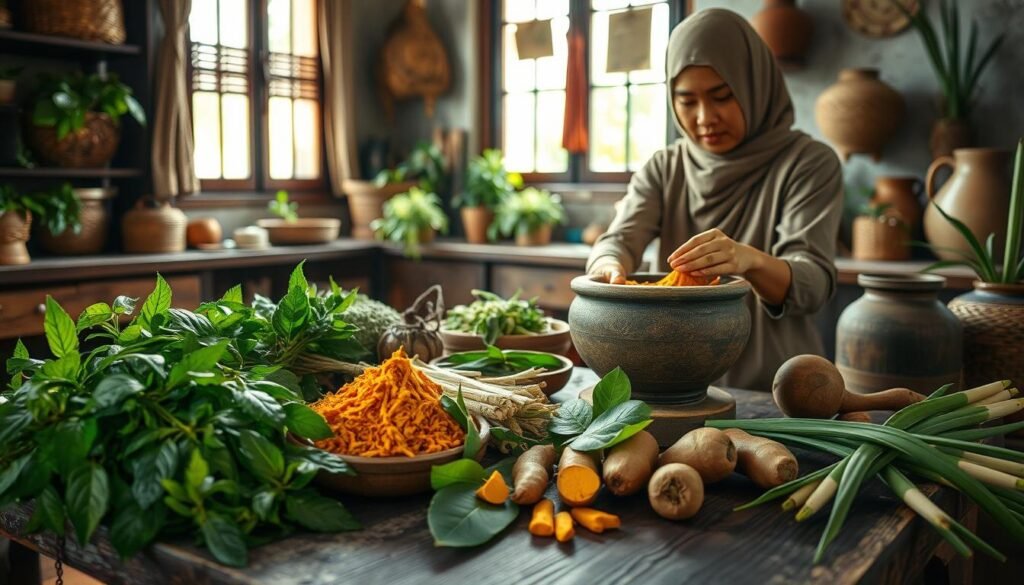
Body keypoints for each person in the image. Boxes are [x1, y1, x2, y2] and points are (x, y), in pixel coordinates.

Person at [587, 8, 843, 392]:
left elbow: (812, 283)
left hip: (778, 390)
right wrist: (609, 264)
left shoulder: (808, 163)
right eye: (687, 101)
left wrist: (749, 260)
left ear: (754, 85)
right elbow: (619, 239)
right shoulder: (665, 167)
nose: (705, 117)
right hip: (674, 383)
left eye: (722, 96)